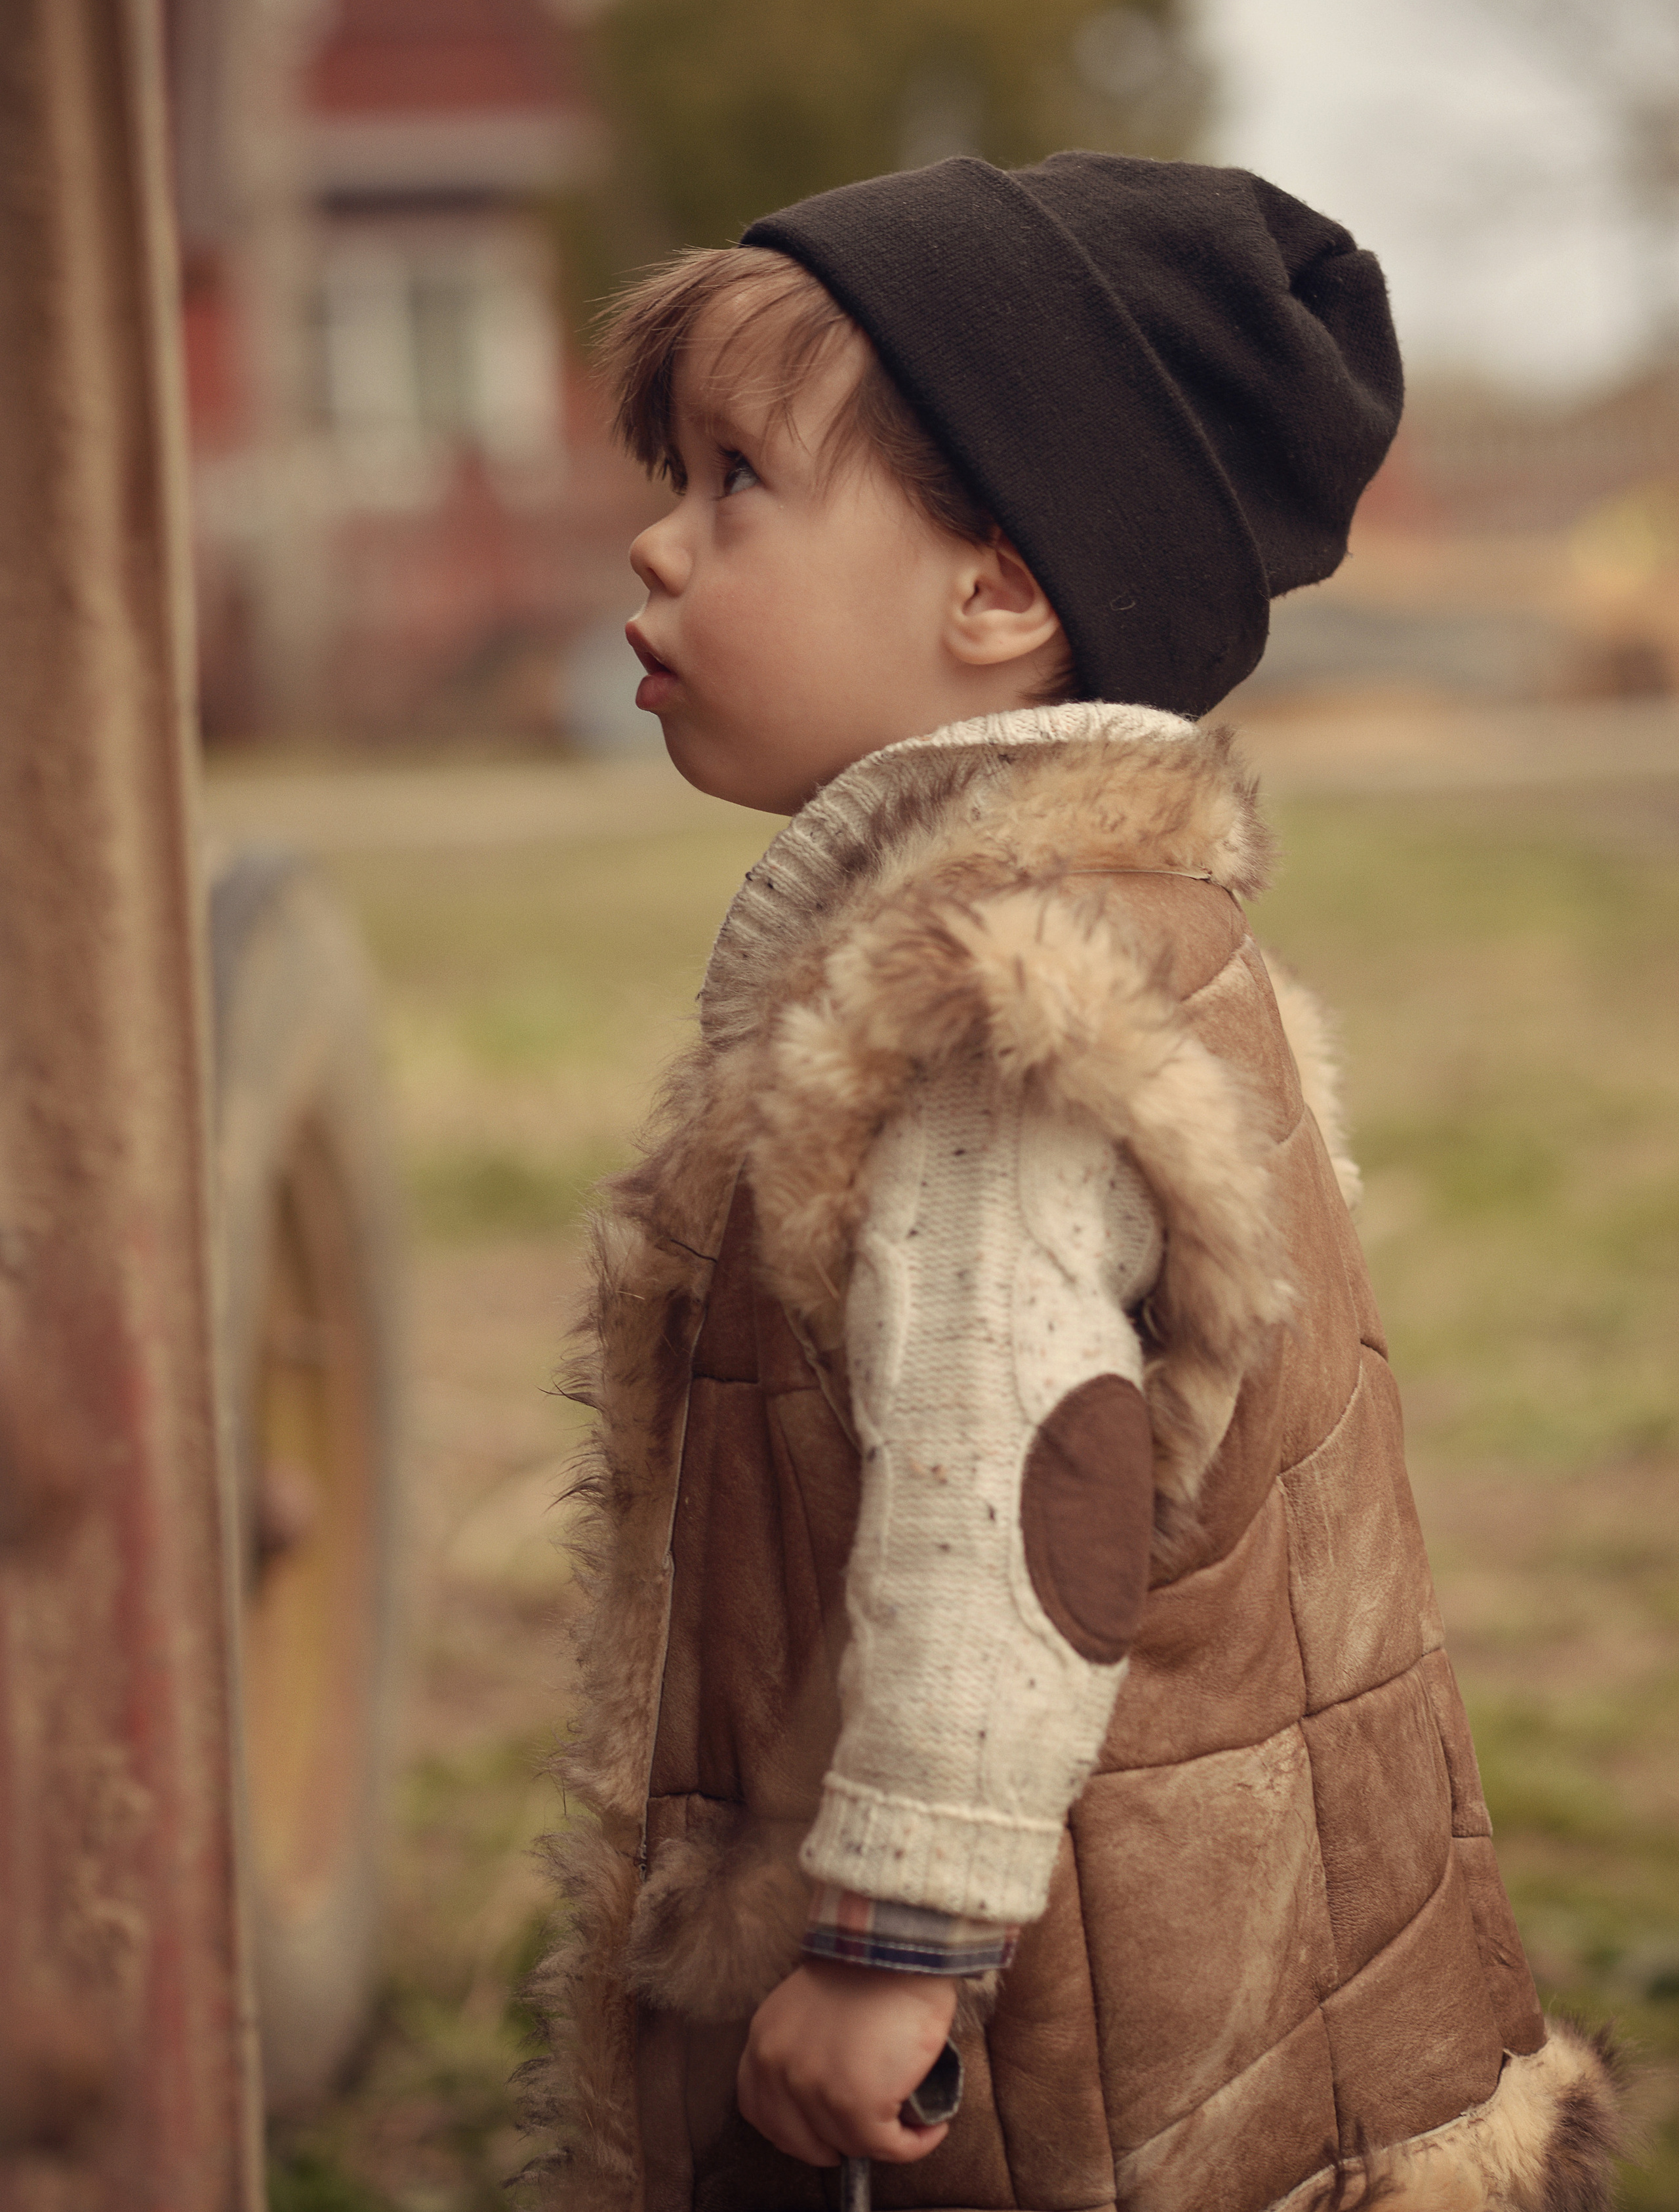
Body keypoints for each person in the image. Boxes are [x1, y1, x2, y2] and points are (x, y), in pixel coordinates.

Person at [525, 154, 1621, 2212]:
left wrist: (892, 1940)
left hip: (1059, 2059)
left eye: (737, 479)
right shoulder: (1136, 932)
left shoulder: (989, 1020)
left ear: (1002, 589)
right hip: (1225, 1976)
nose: (657, 549)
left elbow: (1016, 1491)